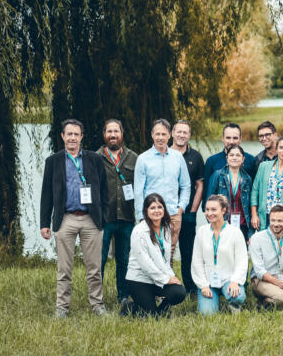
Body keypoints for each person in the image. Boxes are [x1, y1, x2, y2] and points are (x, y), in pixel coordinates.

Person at [40, 119, 108, 318]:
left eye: (76, 134)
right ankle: (62, 308)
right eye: (68, 134)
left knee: (94, 268)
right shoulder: (53, 161)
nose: (72, 138)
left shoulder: (94, 159)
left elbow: (104, 190)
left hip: (90, 219)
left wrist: (102, 217)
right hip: (66, 219)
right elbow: (46, 194)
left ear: (81, 137)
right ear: (62, 136)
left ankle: (97, 305)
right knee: (64, 269)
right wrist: (45, 223)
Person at [134, 118, 191, 266]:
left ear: (169, 135)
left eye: (163, 134)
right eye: (157, 134)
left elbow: (186, 185)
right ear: (152, 135)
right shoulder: (143, 159)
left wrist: (181, 208)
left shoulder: (177, 157)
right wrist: (142, 217)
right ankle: (152, 288)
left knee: (169, 253)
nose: (160, 137)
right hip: (151, 215)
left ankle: (167, 286)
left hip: (173, 214)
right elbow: (138, 191)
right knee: (152, 253)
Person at [123, 193, 187, 317]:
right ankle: (129, 306)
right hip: (139, 279)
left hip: (157, 279)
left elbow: (165, 260)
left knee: (179, 292)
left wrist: (172, 277)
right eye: (152, 208)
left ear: (164, 209)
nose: (156, 211)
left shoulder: (166, 228)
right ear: (146, 211)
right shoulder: (139, 231)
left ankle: (160, 310)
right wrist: (166, 280)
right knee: (150, 317)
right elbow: (145, 264)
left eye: (159, 207)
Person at [96, 119, 138, 304]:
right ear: (104, 134)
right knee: (100, 260)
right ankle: (97, 298)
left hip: (127, 218)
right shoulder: (95, 158)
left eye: (116, 131)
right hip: (104, 219)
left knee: (124, 260)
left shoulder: (134, 158)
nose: (113, 135)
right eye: (109, 131)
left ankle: (123, 296)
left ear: (122, 134)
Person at [191, 195, 248, 315]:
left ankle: (234, 304)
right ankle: (212, 299)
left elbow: (242, 260)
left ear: (223, 210)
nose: (209, 213)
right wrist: (203, 285)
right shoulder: (201, 232)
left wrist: (235, 281)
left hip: (228, 279)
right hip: (208, 281)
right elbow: (196, 261)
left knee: (238, 296)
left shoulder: (235, 232)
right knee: (207, 314)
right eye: (207, 209)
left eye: (213, 209)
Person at [170, 119, 204, 296]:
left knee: (188, 252)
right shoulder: (165, 154)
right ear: (172, 133)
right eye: (179, 131)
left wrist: (193, 210)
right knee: (166, 250)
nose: (182, 135)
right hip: (166, 212)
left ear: (189, 135)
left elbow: (199, 185)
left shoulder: (195, 157)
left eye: (185, 132)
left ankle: (190, 288)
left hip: (188, 213)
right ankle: (166, 285)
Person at [251, 135, 283, 232]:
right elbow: (255, 191)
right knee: (265, 245)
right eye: (281, 147)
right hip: (265, 216)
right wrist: (254, 214)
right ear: (277, 149)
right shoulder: (263, 167)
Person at [205, 145, 253, 242]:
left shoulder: (247, 179)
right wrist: (212, 225)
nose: (234, 158)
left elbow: (249, 206)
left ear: (243, 159)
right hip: (222, 223)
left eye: (238, 155)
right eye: (231, 155)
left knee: (240, 255)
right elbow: (209, 201)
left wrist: (250, 232)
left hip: (242, 224)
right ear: (227, 158)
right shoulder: (217, 175)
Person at [202, 123, 256, 206]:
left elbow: (254, 190)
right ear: (222, 138)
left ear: (240, 139)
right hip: (220, 214)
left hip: (244, 213)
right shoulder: (211, 161)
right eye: (228, 138)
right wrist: (207, 211)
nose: (231, 141)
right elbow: (206, 190)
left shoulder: (251, 160)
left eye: (235, 138)